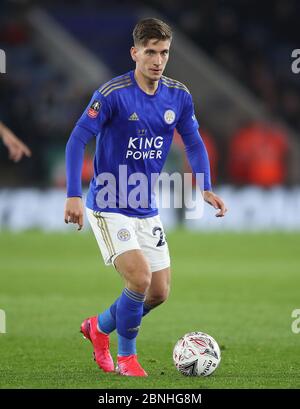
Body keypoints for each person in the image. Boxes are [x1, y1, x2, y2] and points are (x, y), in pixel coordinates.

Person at [64, 18, 227, 377]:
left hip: (145, 206)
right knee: (138, 279)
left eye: (164, 52)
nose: (157, 60)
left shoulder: (179, 96)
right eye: (150, 52)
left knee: (158, 292)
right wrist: (73, 195)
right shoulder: (112, 94)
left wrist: (206, 185)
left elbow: (195, 141)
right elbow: (77, 139)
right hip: (108, 203)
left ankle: (98, 327)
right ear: (135, 53)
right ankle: (127, 358)